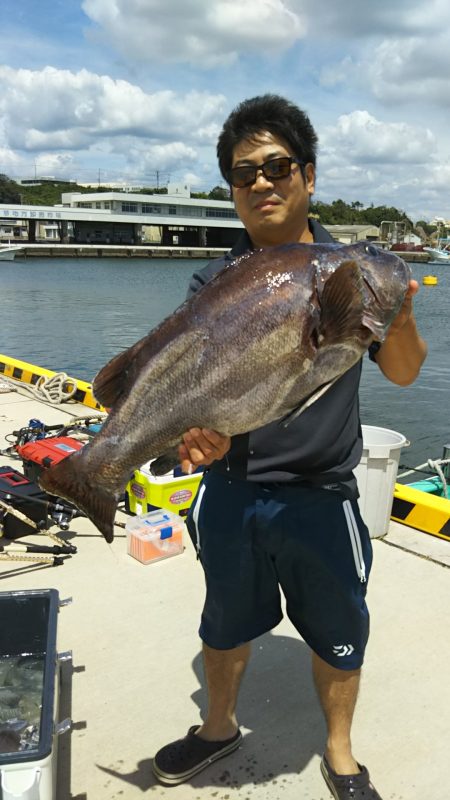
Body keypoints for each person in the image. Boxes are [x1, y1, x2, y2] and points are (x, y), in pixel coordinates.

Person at [152, 95, 427, 799]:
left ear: (308, 174)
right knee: (223, 623)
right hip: (231, 490)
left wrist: (398, 318)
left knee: (340, 632)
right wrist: (194, 438)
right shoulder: (214, 282)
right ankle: (218, 727)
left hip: (321, 494)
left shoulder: (346, 272)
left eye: (277, 166)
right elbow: (198, 394)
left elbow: (403, 372)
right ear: (232, 189)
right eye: (244, 173)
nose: (262, 183)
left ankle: (340, 753)